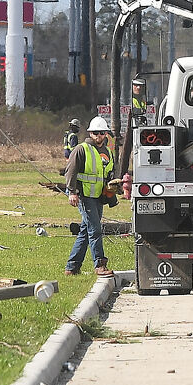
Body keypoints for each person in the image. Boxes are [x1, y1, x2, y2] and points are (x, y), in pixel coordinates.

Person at [65, 115, 117, 276]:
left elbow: (108, 174)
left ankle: (72, 267)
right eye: (95, 133)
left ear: (106, 134)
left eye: (102, 133)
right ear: (90, 133)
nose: (98, 136)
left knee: (85, 231)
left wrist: (112, 187)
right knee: (95, 229)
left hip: (98, 197)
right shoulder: (82, 149)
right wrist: (72, 192)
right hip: (83, 195)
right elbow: (71, 171)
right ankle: (99, 265)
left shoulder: (108, 152)